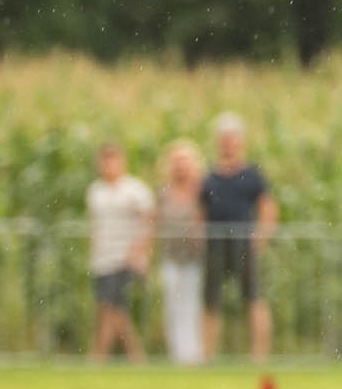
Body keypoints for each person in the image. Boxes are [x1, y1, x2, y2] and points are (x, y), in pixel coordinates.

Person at [200, 114, 278, 364]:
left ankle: (259, 356)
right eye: (224, 139)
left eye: (232, 139)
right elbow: (201, 211)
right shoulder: (210, 177)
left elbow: (268, 207)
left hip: (244, 244)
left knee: (254, 298)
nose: (228, 143)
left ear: (240, 141)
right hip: (215, 245)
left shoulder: (253, 175)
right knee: (210, 302)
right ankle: (207, 355)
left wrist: (262, 236)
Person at [85, 142, 154, 362]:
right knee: (114, 309)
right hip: (102, 259)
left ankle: (99, 356)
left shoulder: (134, 190)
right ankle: (135, 356)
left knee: (110, 307)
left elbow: (148, 221)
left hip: (125, 258)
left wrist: (139, 252)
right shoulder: (95, 192)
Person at [155, 140, 205, 364]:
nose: (180, 166)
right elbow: (154, 221)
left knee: (192, 306)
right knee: (172, 307)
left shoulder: (202, 192)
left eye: (185, 161)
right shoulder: (163, 192)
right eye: (177, 162)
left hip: (194, 259)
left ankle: (192, 355)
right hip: (170, 258)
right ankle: (177, 354)